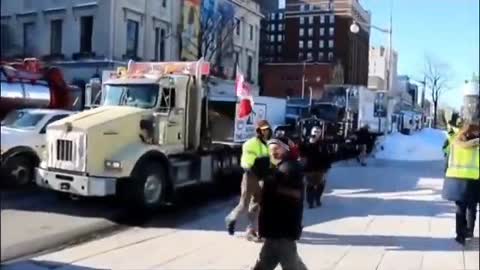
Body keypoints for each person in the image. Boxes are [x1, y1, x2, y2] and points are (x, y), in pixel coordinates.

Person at [250, 136, 308, 270]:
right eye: (270, 149)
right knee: (266, 263)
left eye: (276, 148)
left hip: (282, 229)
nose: (272, 152)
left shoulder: (290, 168)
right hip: (276, 229)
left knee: (291, 265)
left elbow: (294, 194)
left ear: (286, 149)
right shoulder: (281, 167)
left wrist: (267, 183)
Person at [225, 120, 272, 241]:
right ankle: (231, 218)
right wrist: (252, 169)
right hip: (251, 177)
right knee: (244, 205)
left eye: (268, 129)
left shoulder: (267, 144)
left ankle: (250, 231)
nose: (267, 132)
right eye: (264, 130)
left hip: (262, 178)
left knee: (256, 204)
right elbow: (246, 162)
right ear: (259, 131)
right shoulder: (250, 144)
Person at [442, 121, 479, 245]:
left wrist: (445, 174)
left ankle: (460, 235)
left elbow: (447, 158)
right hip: (473, 179)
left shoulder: (454, 142)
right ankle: (469, 231)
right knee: (472, 206)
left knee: (460, 207)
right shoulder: (478, 145)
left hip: (456, 178)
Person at [299, 126, 331, 208]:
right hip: (309, 168)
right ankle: (310, 202)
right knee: (310, 185)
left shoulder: (323, 144)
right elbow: (302, 153)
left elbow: (327, 156)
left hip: (320, 168)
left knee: (321, 184)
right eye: (314, 131)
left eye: (318, 132)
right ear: (311, 132)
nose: (316, 133)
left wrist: (327, 167)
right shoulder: (306, 142)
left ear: (320, 134)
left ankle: (317, 198)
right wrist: (310, 143)